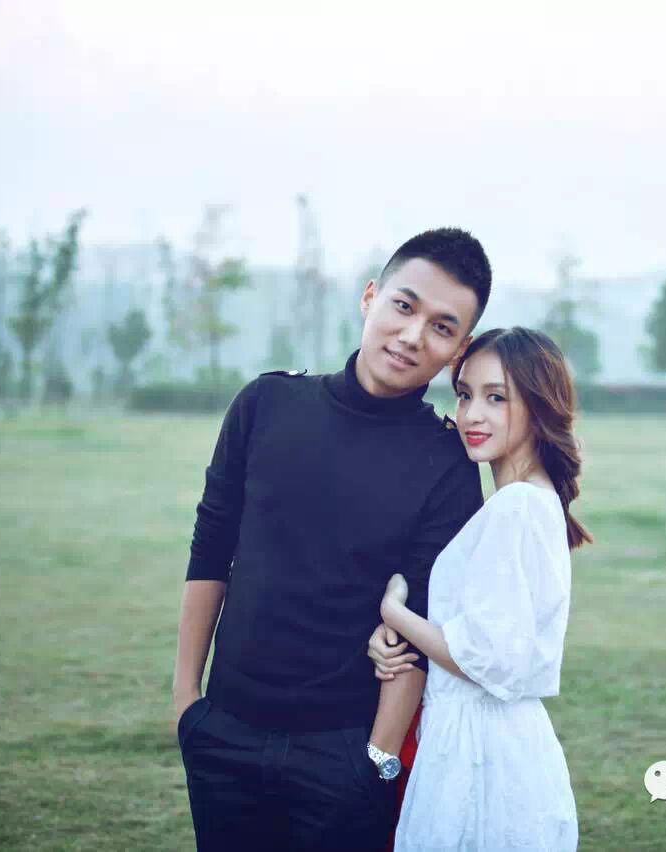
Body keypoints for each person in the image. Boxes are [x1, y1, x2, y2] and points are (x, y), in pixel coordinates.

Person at [172, 227, 492, 850]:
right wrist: (188, 701)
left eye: (441, 327)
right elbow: (210, 548)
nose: (412, 336)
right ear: (370, 297)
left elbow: (423, 617)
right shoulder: (266, 403)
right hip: (224, 734)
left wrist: (376, 760)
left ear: (459, 349)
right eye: (404, 306)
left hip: (345, 753)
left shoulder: (448, 461)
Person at [367, 327, 590, 851]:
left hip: (482, 755)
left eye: (496, 398)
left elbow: (484, 659)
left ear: (539, 406)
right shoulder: (528, 500)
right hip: (489, 742)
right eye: (465, 395)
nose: (471, 415)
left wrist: (395, 613)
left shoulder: (517, 507)